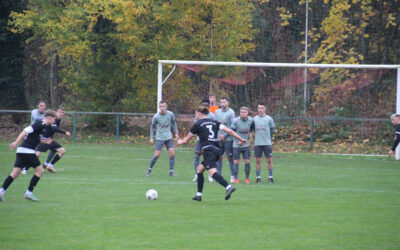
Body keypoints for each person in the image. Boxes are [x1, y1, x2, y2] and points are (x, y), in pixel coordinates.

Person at [177, 105, 247, 202]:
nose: (195, 116)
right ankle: (198, 195)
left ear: (199, 113)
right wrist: (241, 138)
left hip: (208, 150)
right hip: (217, 150)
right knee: (200, 169)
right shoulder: (215, 122)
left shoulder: (198, 124)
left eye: (196, 114)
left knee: (212, 172)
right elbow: (229, 131)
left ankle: (228, 187)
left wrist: (180, 141)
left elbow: (187, 140)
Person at [0, 110, 57, 202]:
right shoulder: (40, 124)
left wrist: (44, 141)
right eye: (54, 119)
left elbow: (35, 137)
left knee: (15, 173)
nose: (54, 121)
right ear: (49, 118)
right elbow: (25, 131)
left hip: (21, 150)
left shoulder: (43, 126)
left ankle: (1, 192)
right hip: (28, 151)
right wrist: (15, 143)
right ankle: (29, 193)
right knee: (40, 170)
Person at [146, 101, 179, 176]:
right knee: (157, 155)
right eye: (160, 106)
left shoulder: (170, 114)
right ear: (158, 107)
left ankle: (171, 172)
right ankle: (149, 170)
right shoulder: (156, 116)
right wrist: (151, 137)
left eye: (163, 106)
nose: (162, 108)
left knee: (172, 153)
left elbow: (174, 123)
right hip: (159, 138)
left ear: (166, 107)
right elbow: (152, 127)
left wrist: (176, 133)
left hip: (168, 137)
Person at [35, 107, 71, 173]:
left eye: (62, 112)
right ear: (56, 112)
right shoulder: (54, 119)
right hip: (45, 140)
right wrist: (65, 132)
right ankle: (24, 168)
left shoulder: (58, 119)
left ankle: (49, 165)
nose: (61, 113)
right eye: (60, 112)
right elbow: (54, 128)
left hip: (50, 140)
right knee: (36, 155)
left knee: (62, 151)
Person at [192, 99, 215, 183]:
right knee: (197, 156)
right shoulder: (198, 115)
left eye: (206, 105)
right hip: (200, 140)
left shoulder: (212, 116)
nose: (205, 106)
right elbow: (195, 126)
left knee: (208, 157)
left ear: (209, 106)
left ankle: (210, 175)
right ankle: (196, 174)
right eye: (203, 105)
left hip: (209, 141)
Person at [22, 100, 47, 175]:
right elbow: (36, 118)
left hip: (40, 136)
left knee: (36, 153)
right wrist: (46, 119)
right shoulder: (34, 112)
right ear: (38, 106)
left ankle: (25, 168)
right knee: (32, 153)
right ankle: (24, 167)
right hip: (31, 135)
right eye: (41, 105)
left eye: (44, 106)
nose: (42, 107)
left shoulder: (46, 114)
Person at [253, 103, 275, 184]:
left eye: (262, 108)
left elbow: (272, 129)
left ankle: (270, 177)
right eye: (259, 108)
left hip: (267, 143)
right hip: (258, 143)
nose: (260, 109)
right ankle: (258, 178)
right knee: (258, 161)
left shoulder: (269, 119)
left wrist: (267, 136)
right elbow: (252, 129)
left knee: (269, 160)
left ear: (265, 109)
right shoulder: (254, 119)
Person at [214, 97, 235, 182]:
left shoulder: (231, 112)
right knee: (219, 157)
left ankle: (233, 176)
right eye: (221, 102)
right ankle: (218, 174)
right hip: (219, 138)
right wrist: (218, 135)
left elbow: (233, 126)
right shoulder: (217, 112)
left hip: (228, 138)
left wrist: (225, 135)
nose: (222, 104)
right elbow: (215, 125)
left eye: (224, 102)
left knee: (230, 157)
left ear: (228, 103)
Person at [231, 107, 254, 184]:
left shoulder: (251, 120)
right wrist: (239, 140)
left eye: (244, 112)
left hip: (246, 145)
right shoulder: (235, 121)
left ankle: (247, 178)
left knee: (247, 161)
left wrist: (251, 133)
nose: (243, 113)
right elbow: (231, 132)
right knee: (236, 162)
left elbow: (252, 128)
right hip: (236, 145)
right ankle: (236, 178)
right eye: (241, 112)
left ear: (247, 113)